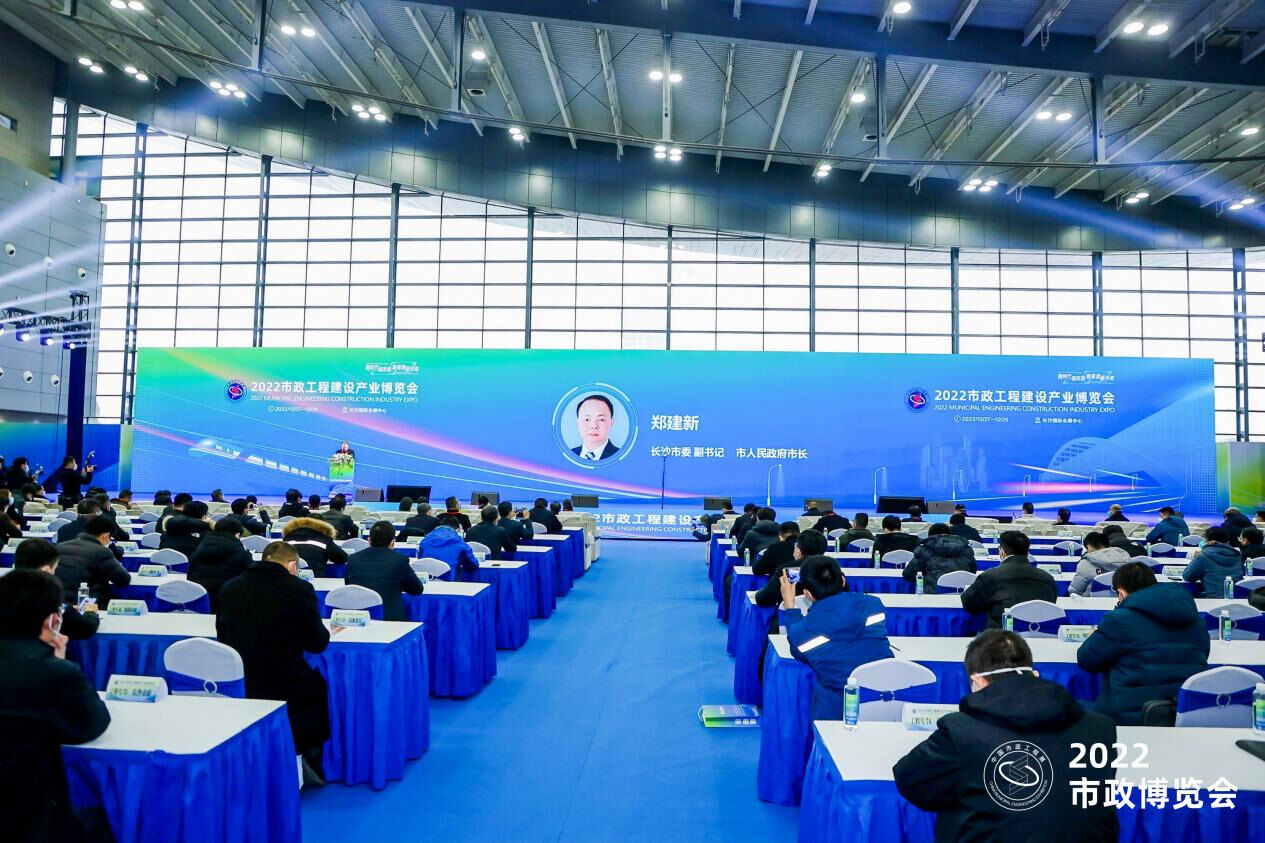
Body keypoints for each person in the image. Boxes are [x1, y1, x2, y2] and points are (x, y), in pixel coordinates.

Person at [893, 630, 1118, 842]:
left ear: (978, 681)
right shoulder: (1100, 728)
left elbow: (910, 780)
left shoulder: (961, 731)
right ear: (1034, 674)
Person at [0, 568, 112, 842]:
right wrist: (59, 662)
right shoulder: (55, 673)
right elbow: (93, 725)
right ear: (53, 620)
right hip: (30, 812)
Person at [217, 541, 330, 786]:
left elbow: (222, 637)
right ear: (293, 565)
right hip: (285, 679)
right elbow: (317, 643)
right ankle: (305, 762)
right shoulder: (299, 589)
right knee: (317, 687)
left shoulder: (230, 587)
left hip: (241, 678)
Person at [1075, 562, 1210, 725]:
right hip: (1184, 712)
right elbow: (1203, 654)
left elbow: (1087, 659)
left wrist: (1097, 635)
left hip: (1129, 716)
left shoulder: (1119, 620)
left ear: (1121, 593)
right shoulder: (1194, 619)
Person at [778, 555, 893, 720]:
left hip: (837, 710)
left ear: (807, 594)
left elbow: (799, 652)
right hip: (885, 697)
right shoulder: (874, 605)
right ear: (843, 581)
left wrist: (790, 607)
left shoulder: (803, 630)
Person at [960, 531, 1057, 629]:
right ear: (1027, 553)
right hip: (1042, 633)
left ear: (1002, 552)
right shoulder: (1048, 578)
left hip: (1001, 634)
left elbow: (968, 603)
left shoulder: (989, 576)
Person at [14, 537, 99, 640]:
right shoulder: (48, 599)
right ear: (46, 571)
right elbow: (85, 628)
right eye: (54, 569)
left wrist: (69, 609)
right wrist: (91, 613)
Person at [345, 521, 425, 621]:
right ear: (392, 542)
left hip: (359, 617)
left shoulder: (353, 559)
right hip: (389, 618)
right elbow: (417, 589)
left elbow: (348, 584)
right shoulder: (399, 560)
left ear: (369, 540)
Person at [52, 516, 131, 609]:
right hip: (88, 604)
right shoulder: (101, 552)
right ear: (105, 536)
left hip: (59, 602)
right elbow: (123, 580)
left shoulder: (59, 547)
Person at [188, 517, 253, 611]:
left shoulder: (197, 552)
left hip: (199, 603)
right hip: (230, 605)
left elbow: (190, 577)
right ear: (237, 535)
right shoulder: (243, 555)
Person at [754, 529, 828, 608]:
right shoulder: (830, 571)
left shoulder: (787, 571)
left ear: (798, 551)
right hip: (824, 613)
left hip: (789, 613)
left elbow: (764, 599)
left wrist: (758, 593)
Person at [905, 523, 977, 590]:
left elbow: (908, 574)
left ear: (930, 535)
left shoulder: (924, 550)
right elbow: (972, 571)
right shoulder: (966, 549)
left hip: (931, 594)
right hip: (962, 593)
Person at [1182, 525, 1244, 598]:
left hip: (1212, 598)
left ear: (1210, 542)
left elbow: (1187, 576)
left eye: (1205, 539)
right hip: (1238, 598)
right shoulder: (1237, 555)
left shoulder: (1204, 556)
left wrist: (1196, 558)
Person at [1068, 531, 1132, 597]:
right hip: (1124, 600)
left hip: (1091, 601)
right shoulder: (1126, 558)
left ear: (1089, 547)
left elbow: (1075, 591)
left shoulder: (1085, 563)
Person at [282, 516, 347, 577]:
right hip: (316, 579)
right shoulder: (324, 539)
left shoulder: (287, 539)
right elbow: (342, 558)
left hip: (287, 579)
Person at [421, 516, 480, 580]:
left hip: (427, 579)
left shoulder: (425, 540)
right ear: (457, 529)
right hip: (450, 580)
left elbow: (420, 559)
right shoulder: (459, 543)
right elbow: (473, 565)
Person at [571, 393, 619, 461]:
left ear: (611, 423)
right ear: (578, 422)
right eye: (587, 419)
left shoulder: (622, 456)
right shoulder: (568, 455)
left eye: (601, 419)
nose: (593, 426)